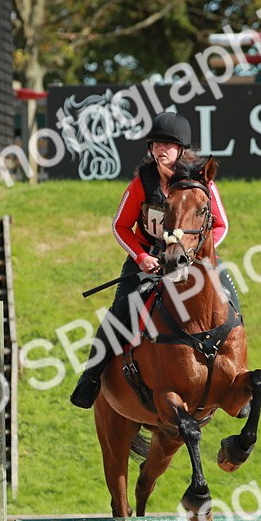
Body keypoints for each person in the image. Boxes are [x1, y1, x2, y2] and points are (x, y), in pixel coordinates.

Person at [69, 111, 233, 409]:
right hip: (148, 261)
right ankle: (90, 378)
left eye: (168, 145)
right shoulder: (140, 184)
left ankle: (234, 371)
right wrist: (142, 257)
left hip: (192, 262)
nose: (160, 149)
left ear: (181, 149)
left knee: (229, 299)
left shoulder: (201, 183)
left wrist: (194, 255)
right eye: (156, 144)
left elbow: (221, 225)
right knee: (120, 312)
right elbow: (120, 226)